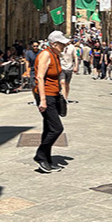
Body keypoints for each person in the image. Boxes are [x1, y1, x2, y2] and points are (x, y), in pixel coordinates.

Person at [33, 30, 68, 173]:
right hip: (45, 95)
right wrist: (42, 100)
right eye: (61, 44)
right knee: (57, 128)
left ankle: (47, 159)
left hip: (53, 94)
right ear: (53, 44)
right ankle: (40, 155)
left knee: (48, 128)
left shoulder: (55, 55)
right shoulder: (46, 55)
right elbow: (40, 77)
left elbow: (58, 74)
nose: (64, 46)